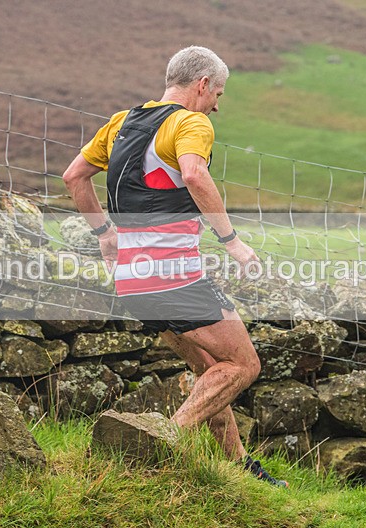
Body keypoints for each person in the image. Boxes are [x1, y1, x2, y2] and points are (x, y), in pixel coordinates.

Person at [62, 45, 287, 488]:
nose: (218, 104)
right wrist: (232, 241)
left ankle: (240, 468)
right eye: (218, 92)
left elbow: (74, 176)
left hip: (131, 278)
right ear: (202, 85)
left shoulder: (121, 121)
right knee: (243, 365)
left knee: (210, 369)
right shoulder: (191, 121)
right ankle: (161, 444)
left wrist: (105, 234)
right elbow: (195, 175)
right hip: (172, 274)